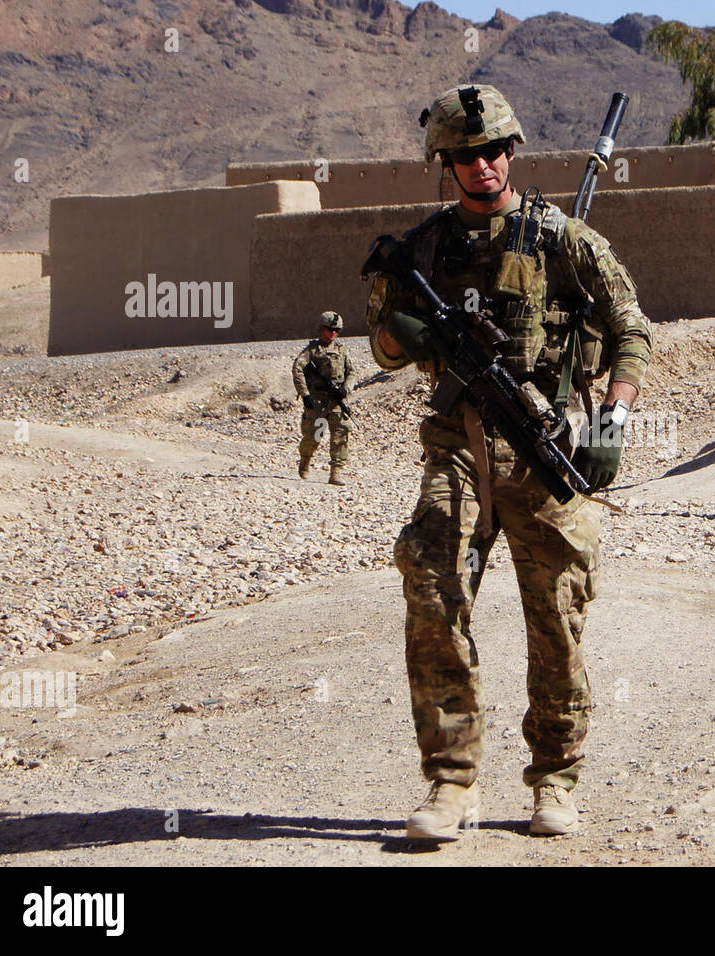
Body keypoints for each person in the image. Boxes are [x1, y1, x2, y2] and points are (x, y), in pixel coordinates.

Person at [361, 85, 652, 840]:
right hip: (457, 446)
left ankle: (555, 778)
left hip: (542, 446)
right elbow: (383, 352)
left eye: (494, 151)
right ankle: (451, 783)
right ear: (445, 162)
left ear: (511, 152)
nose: (483, 165)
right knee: (430, 584)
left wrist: (614, 418)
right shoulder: (421, 249)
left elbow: (632, 331)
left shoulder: (563, 239)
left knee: (556, 616)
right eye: (466, 155)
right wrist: (410, 334)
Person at [292, 310, 354, 486]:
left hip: (336, 401)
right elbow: (297, 369)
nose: (333, 333)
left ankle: (336, 473)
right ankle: (305, 460)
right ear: (321, 329)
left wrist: (346, 389)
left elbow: (352, 372)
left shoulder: (342, 351)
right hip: (317, 401)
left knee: (341, 434)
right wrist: (305, 395)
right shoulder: (312, 350)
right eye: (329, 329)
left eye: (336, 330)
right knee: (314, 436)